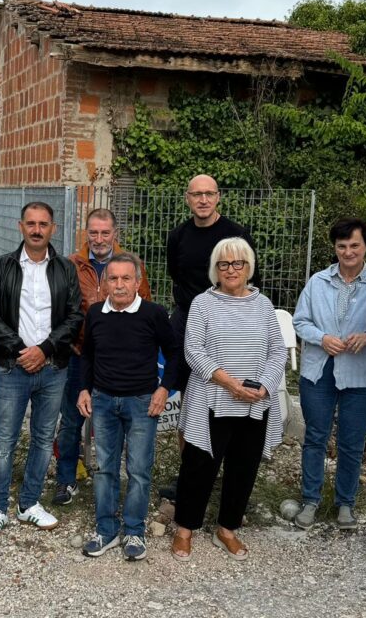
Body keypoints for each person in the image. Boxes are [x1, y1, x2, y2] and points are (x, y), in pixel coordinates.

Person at [170, 237, 287, 562]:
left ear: (248, 267)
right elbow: (193, 350)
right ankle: (185, 529)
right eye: (224, 264)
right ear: (215, 269)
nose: (231, 269)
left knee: (244, 467)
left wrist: (264, 385)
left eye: (238, 263)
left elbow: (277, 350)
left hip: (255, 401)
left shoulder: (262, 304)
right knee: (198, 466)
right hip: (211, 398)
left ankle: (227, 529)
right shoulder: (202, 303)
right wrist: (231, 384)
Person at [0, 201, 83, 538]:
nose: (37, 230)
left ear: (53, 228)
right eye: (31, 223)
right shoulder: (1, 266)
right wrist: (22, 350)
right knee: (4, 440)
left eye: (43, 224)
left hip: (53, 368)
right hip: (13, 367)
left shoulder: (65, 269)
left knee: (41, 439)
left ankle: (28, 505)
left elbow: (74, 315)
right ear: (20, 226)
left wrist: (46, 349)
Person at [161, 174, 256, 501]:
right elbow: (176, 273)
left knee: (231, 395)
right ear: (187, 198)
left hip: (229, 322)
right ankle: (189, 475)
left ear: (218, 198)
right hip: (188, 321)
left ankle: (227, 476)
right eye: (196, 194)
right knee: (191, 402)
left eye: (209, 194)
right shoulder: (177, 237)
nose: (203, 200)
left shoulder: (236, 234)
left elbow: (249, 277)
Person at [75, 253, 176, 561]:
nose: (119, 285)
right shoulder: (95, 313)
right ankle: (105, 530)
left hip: (142, 403)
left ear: (138, 281)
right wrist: (83, 388)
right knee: (104, 469)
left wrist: (163, 389)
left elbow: (175, 355)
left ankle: (133, 531)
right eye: (113, 278)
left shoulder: (154, 314)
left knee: (139, 470)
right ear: (105, 282)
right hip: (104, 401)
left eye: (126, 278)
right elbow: (88, 356)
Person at [52, 208, 151, 507]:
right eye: (93, 232)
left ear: (115, 234)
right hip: (78, 355)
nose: (98, 239)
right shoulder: (71, 264)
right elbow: (60, 308)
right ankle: (66, 479)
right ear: (86, 233)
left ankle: (118, 480)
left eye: (105, 232)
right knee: (71, 421)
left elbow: (144, 305)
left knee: (119, 422)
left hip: (119, 360)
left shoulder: (132, 265)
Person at [291, 218, 366, 531]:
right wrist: (321, 338)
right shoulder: (318, 282)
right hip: (320, 371)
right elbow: (300, 321)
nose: (348, 251)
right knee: (315, 437)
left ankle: (345, 503)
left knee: (351, 442)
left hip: (361, 373)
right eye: (342, 246)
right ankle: (310, 500)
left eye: (354, 245)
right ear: (334, 248)